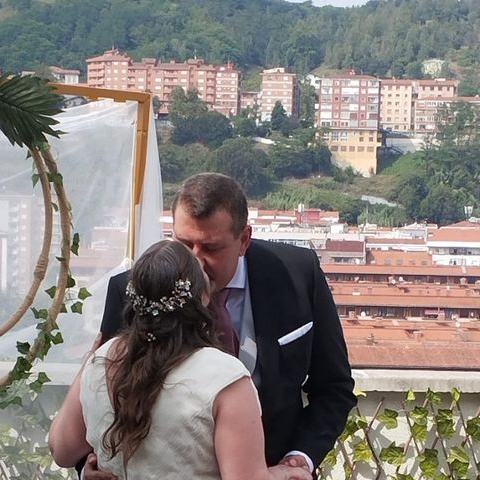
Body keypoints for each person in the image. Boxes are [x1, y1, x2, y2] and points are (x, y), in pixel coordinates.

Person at [82, 173, 356, 479]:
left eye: (211, 249)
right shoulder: (133, 288)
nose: (195, 262)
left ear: (244, 240)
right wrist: (89, 468)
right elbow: (98, 388)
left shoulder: (297, 275)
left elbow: (333, 387)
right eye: (184, 244)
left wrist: (300, 458)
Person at [49, 239, 310, 480]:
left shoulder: (104, 358)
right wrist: (280, 473)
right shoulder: (225, 378)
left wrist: (89, 361)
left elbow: (61, 450)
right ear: (203, 298)